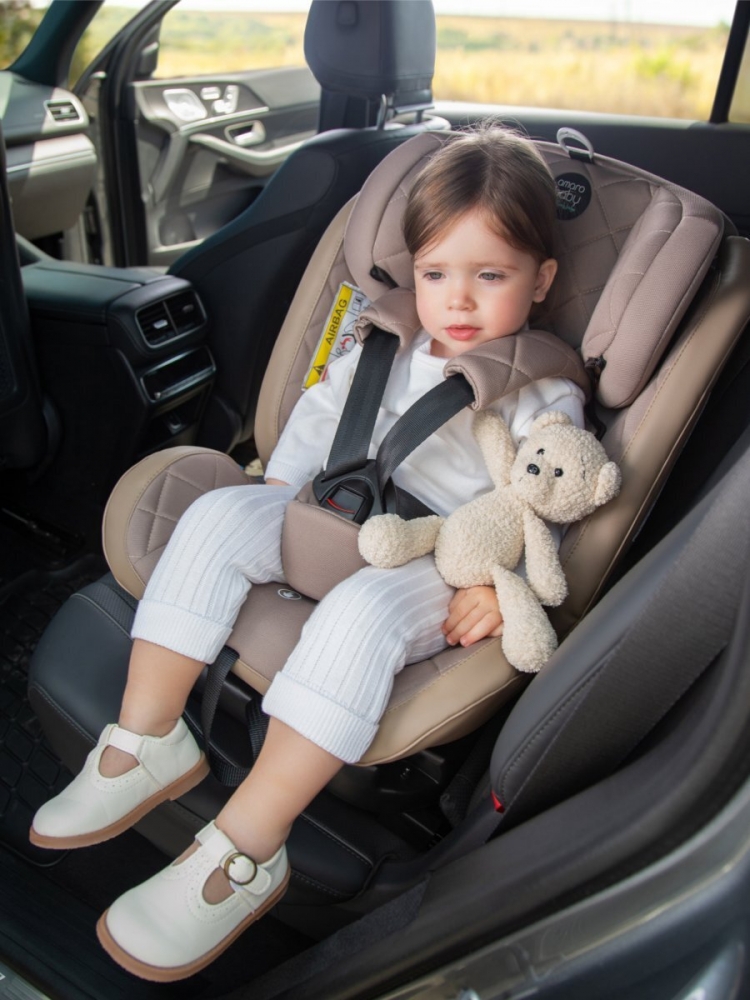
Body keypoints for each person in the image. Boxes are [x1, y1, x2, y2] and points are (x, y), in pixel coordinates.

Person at [30, 126, 586, 981]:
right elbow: (322, 414)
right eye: (437, 274)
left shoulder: (541, 388)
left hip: (433, 556)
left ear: (541, 280)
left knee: (359, 616)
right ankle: (145, 738)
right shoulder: (384, 338)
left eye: (491, 276)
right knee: (218, 514)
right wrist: (279, 495)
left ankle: (248, 847)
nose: (459, 301)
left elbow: (548, 497)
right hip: (332, 509)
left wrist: (499, 584)